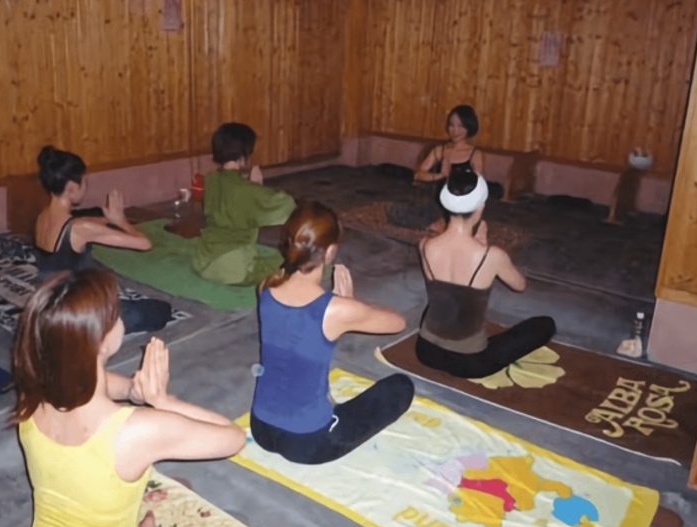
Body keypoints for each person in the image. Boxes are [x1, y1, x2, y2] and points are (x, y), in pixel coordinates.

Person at [12, 268, 245, 527]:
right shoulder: (134, 431)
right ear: (101, 342)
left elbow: (87, 381)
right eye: (116, 313)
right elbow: (234, 438)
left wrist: (134, 390)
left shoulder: (33, 390)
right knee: (171, 501)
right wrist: (163, 401)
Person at [250, 201, 415, 464]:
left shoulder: (266, 287)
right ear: (329, 253)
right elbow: (398, 322)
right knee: (401, 387)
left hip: (261, 428)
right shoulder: (335, 309)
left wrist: (347, 307)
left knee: (298, 360)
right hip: (308, 442)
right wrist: (352, 303)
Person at [415, 168, 556, 378]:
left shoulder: (425, 244)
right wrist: (484, 247)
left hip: (425, 352)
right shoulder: (492, 255)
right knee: (545, 325)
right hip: (470, 362)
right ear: (480, 207)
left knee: (444, 297)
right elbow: (520, 285)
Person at [34, 145, 172, 334]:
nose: (86, 187)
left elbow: (80, 224)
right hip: (77, 313)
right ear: (72, 187)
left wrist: (109, 220)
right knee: (161, 310)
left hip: (49, 307)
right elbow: (144, 244)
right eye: (84, 182)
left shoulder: (42, 217)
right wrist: (121, 221)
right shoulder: (79, 228)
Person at [192, 123, 296, 286]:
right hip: (234, 269)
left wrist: (252, 187)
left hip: (203, 261)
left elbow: (232, 197)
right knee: (288, 260)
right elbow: (286, 206)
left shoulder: (210, 179)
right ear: (243, 155)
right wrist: (257, 186)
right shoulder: (247, 190)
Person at [411, 105, 488, 234]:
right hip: (438, 201)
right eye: (452, 125)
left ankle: (449, 224)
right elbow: (418, 175)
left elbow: (478, 188)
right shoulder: (440, 150)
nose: (455, 131)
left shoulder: (475, 154)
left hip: (462, 204)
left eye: (460, 126)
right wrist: (441, 175)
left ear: (469, 127)